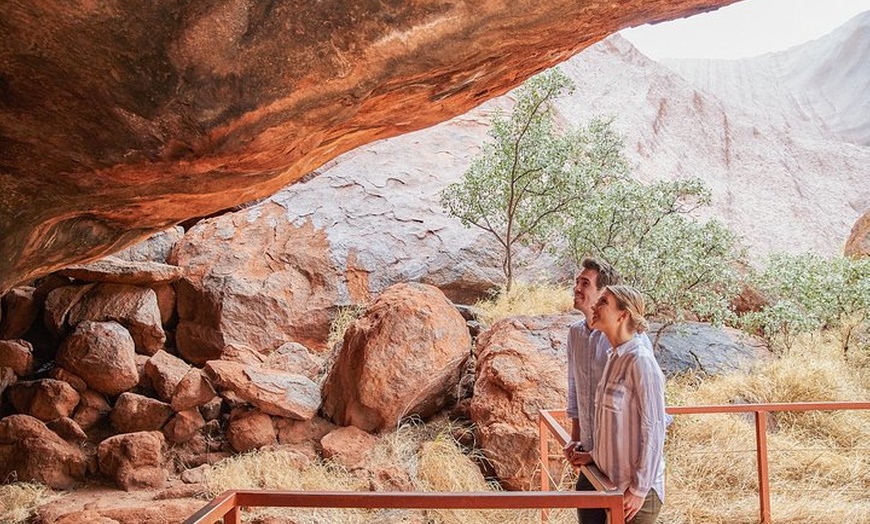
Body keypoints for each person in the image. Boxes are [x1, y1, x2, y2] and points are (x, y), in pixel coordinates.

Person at [572, 285, 667, 524]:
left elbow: (654, 429)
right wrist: (594, 455)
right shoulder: (614, 358)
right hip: (605, 481)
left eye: (603, 302)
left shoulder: (641, 361)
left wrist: (639, 489)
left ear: (623, 315)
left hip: (631, 493)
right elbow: (613, 425)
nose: (594, 305)